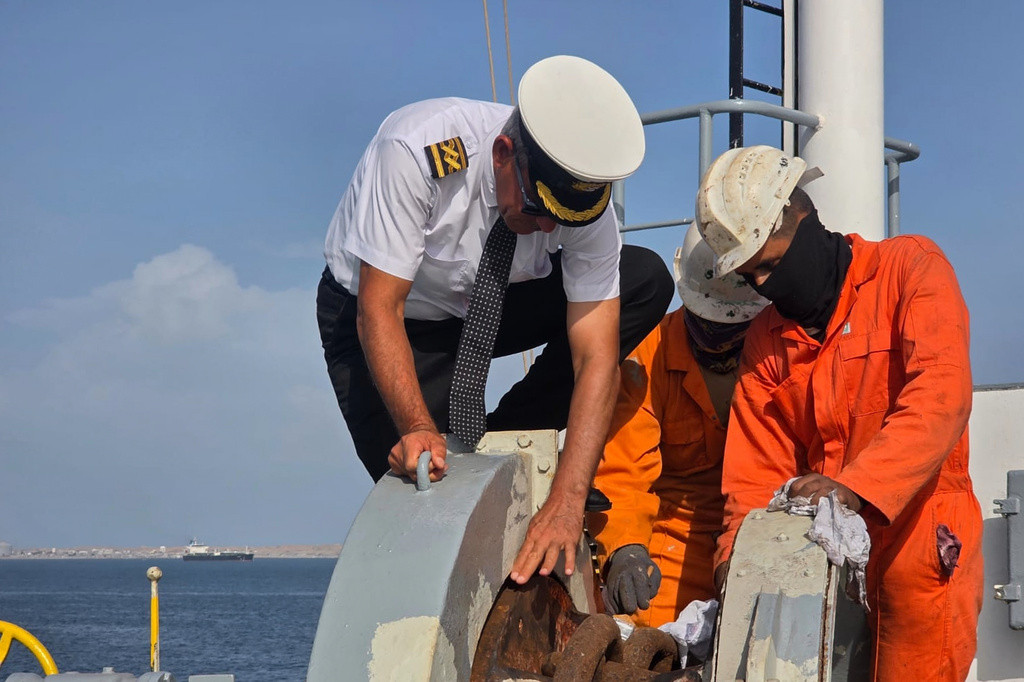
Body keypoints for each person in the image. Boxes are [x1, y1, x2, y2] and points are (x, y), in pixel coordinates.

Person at [316, 55, 674, 585]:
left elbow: (596, 356)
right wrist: (417, 428)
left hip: (497, 304)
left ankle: (508, 438)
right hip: (389, 320)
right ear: (504, 154)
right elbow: (379, 307)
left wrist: (568, 498)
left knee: (644, 277)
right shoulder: (416, 149)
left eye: (563, 219)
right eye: (537, 210)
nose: (547, 227)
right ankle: (455, 451)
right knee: (431, 507)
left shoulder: (581, 208)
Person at [698, 145, 983, 681]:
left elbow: (940, 396)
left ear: (802, 218)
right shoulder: (765, 340)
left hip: (918, 547)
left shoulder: (911, 268)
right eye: (750, 276)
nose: (763, 286)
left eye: (771, 265)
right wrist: (735, 568)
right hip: (817, 567)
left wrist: (856, 487)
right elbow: (754, 472)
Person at [586, 223, 767, 628]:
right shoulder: (649, 352)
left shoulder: (780, 352)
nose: (715, 334)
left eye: (729, 327)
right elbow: (622, 473)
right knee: (648, 644)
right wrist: (626, 547)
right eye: (707, 320)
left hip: (760, 534)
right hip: (665, 546)